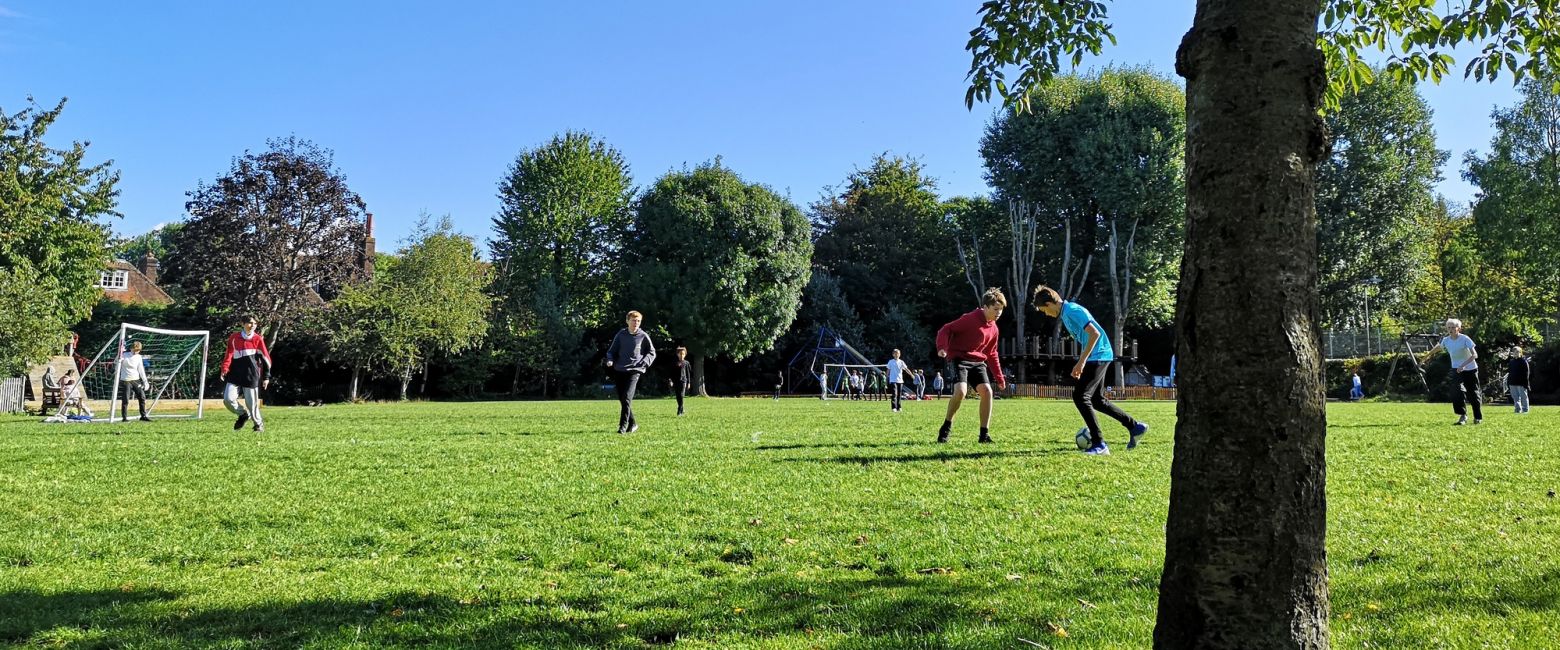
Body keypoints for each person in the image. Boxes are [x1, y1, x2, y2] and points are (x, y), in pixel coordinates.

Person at [1034, 285, 1149, 455]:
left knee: (1080, 396)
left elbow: (1094, 334)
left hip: (1099, 355)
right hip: (1099, 355)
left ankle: (1099, 444)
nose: (1045, 313)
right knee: (1096, 400)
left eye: (1044, 310)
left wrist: (1081, 362)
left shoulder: (1072, 310)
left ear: (1050, 303)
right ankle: (1135, 426)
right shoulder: (1066, 313)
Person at [934, 287, 1008, 443]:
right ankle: (946, 427)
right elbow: (946, 329)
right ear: (985, 307)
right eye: (995, 309)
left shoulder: (994, 328)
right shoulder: (970, 318)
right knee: (961, 391)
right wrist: (942, 347)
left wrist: (999, 377)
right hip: (959, 359)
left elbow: (992, 353)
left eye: (1001, 310)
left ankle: (984, 435)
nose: (998, 313)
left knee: (987, 392)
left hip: (977, 362)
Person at [1423, 318, 1482, 425]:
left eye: (1453, 327)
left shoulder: (1465, 339)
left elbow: (1475, 355)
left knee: (1473, 393)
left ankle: (1477, 417)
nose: (1450, 329)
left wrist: (1463, 366)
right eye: (1448, 327)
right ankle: (1463, 416)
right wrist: (1427, 356)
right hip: (1456, 369)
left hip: (1471, 368)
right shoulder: (1446, 340)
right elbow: (1438, 347)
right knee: (1456, 391)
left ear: (1458, 328)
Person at [605, 310, 656, 433]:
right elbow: (611, 351)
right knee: (623, 399)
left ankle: (622, 427)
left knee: (627, 398)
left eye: (638, 321)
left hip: (634, 370)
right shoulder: (621, 335)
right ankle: (633, 423)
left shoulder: (643, 336)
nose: (636, 323)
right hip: (619, 369)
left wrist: (645, 362)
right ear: (627, 321)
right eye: (633, 320)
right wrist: (610, 360)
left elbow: (652, 352)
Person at [221, 315, 273, 432]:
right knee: (227, 400)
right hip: (234, 375)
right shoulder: (234, 338)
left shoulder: (258, 339)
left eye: (255, 324)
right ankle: (243, 414)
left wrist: (266, 377)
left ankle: (258, 424)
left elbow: (266, 359)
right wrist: (225, 369)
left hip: (251, 376)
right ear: (243, 324)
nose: (253, 325)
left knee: (252, 405)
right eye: (250, 323)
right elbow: (228, 354)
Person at [118, 340, 152, 422]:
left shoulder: (139, 357)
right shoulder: (124, 355)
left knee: (142, 397)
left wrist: (145, 381)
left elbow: (141, 369)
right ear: (132, 348)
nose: (137, 352)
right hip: (126, 380)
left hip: (135, 380)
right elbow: (116, 363)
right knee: (125, 399)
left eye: (138, 350)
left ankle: (143, 416)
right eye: (136, 350)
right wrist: (119, 358)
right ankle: (124, 418)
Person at [1509, 345, 1531, 414]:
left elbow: (1527, 373)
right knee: (1515, 398)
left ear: (1520, 353)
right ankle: (1517, 409)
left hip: (1521, 382)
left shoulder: (1524, 361)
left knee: (1524, 397)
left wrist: (1526, 383)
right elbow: (1510, 372)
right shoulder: (1511, 362)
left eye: (1517, 352)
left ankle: (1525, 410)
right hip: (1512, 382)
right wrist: (1508, 381)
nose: (1516, 353)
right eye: (1514, 352)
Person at [670, 346, 691, 416]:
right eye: (680, 354)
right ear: (677, 354)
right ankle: (682, 408)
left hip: (683, 381)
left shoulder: (686, 363)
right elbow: (671, 373)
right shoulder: (674, 362)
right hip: (676, 381)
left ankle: (679, 410)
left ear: (685, 354)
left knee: (681, 395)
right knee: (678, 396)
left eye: (683, 354)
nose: (681, 355)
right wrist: (670, 380)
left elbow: (688, 373)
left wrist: (689, 383)